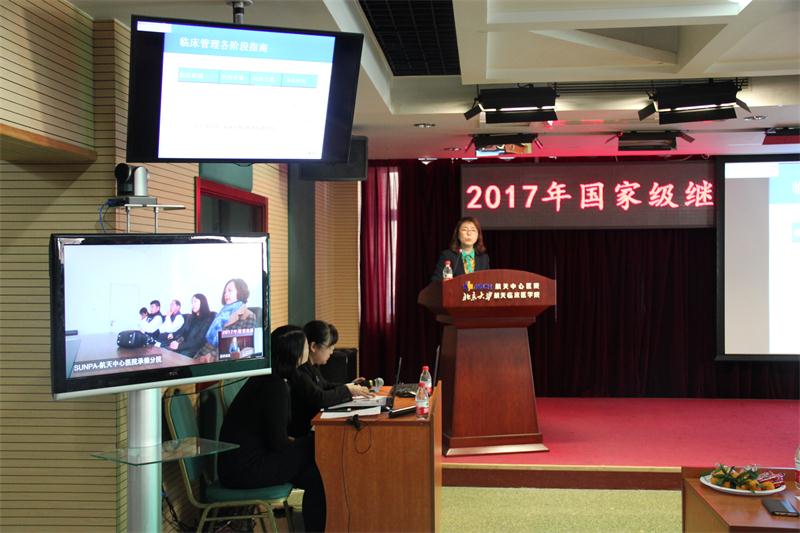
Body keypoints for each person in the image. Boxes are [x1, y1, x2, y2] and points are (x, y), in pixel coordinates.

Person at [218, 325, 326, 533]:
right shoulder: (274, 386)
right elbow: (278, 443)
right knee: (316, 447)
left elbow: (276, 438)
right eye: (305, 346)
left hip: (240, 464)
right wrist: (304, 442)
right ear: (295, 353)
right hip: (246, 469)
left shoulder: (267, 379)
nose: (307, 350)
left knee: (316, 474)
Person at [289, 321, 371, 438]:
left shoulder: (312, 366)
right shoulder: (300, 370)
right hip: (304, 432)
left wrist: (350, 386)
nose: (331, 352)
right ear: (313, 346)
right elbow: (320, 398)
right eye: (329, 348)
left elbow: (325, 385)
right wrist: (347, 389)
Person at [195, 278, 256, 360]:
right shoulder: (222, 313)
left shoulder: (248, 315)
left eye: (229, 291)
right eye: (225, 292)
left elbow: (242, 348)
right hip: (203, 352)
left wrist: (211, 356)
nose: (226, 294)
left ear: (240, 291)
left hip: (220, 359)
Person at [430, 216, 490, 281]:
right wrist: (444, 282)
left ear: (478, 235)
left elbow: (488, 281)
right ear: (458, 234)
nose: (469, 233)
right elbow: (435, 281)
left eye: (473, 230)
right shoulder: (447, 255)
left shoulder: (484, 258)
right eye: (464, 230)